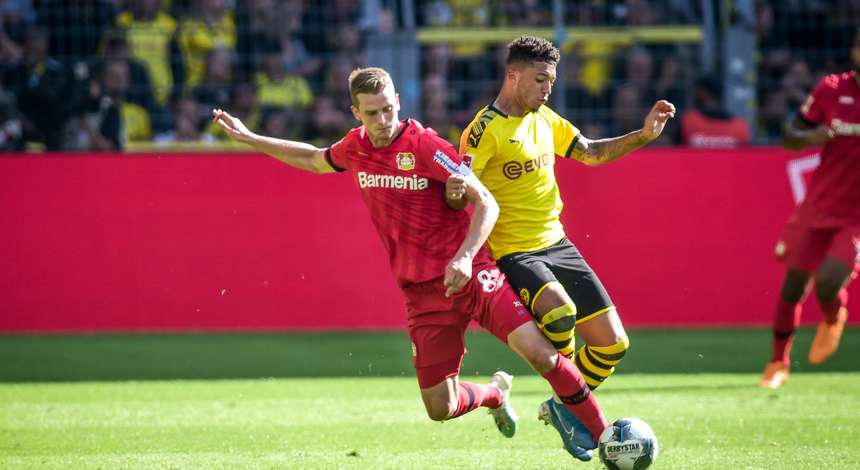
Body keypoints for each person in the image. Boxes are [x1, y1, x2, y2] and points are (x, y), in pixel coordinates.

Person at [212, 66, 608, 460]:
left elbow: (486, 201)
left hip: (473, 275)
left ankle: (605, 436)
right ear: (356, 114)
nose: (383, 120)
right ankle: (494, 394)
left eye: (388, 109)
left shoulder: (426, 146)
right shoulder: (355, 147)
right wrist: (249, 138)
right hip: (422, 294)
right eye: (372, 113)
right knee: (440, 408)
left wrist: (467, 257)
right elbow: (315, 158)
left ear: (398, 101)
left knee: (541, 354)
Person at [448, 36, 674, 459]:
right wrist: (457, 193)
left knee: (613, 344)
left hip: (557, 244)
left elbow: (588, 152)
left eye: (551, 80)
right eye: (540, 80)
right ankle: (575, 403)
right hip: (513, 251)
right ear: (513, 76)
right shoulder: (481, 132)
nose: (547, 88)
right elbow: (460, 195)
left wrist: (644, 135)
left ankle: (561, 405)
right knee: (558, 310)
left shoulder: (545, 119)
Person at [759, 28, 860, 389]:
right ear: (855, 50)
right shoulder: (831, 90)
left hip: (855, 216)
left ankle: (833, 317)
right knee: (792, 286)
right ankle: (777, 363)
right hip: (819, 204)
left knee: (829, 282)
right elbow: (790, 136)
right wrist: (809, 137)